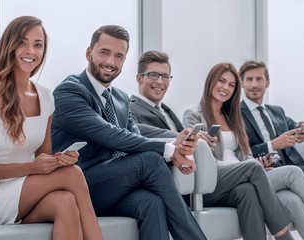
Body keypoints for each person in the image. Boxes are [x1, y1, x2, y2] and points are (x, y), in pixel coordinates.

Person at [0, 16, 102, 240]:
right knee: (73, 174)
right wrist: (32, 167)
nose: (30, 50)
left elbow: (43, 159)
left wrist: (59, 161)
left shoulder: (46, 98)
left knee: (66, 201)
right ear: (9, 46)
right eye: (22, 42)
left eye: (38, 44)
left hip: (21, 191)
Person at [51, 25, 206, 240]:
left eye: (119, 56)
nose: (111, 62)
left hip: (113, 185)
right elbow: (111, 135)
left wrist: (175, 149)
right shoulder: (69, 91)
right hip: (76, 186)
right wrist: (170, 151)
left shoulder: (121, 99)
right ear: (89, 53)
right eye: (104, 52)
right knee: (151, 160)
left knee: (150, 202)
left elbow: (136, 140)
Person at [131, 51, 289, 240]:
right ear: (139, 78)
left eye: (165, 76)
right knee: (254, 168)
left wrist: (195, 142)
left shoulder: (167, 111)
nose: (160, 81)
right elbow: (139, 132)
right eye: (153, 75)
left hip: (195, 176)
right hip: (176, 184)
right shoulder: (130, 108)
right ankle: (283, 235)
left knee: (246, 191)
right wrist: (189, 137)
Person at [183, 62, 304, 240]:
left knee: (288, 198)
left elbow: (246, 155)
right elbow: (192, 151)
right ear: (211, 81)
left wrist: (257, 164)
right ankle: (284, 234)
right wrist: (203, 146)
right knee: (292, 173)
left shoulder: (233, 117)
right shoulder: (193, 115)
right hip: (219, 176)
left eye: (231, 85)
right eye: (221, 81)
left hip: (246, 176)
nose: (225, 87)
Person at [239, 59, 304, 239]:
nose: (254, 84)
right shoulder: (236, 114)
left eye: (259, 79)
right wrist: (272, 145)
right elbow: (241, 152)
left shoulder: (276, 111)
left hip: (293, 170)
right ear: (242, 82)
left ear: (267, 82)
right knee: (293, 200)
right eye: (249, 79)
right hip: (266, 172)